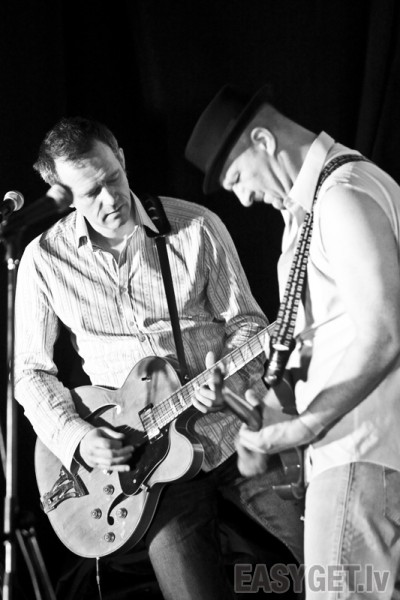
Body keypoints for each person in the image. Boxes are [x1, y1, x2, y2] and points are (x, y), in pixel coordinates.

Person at [13, 116, 304, 600]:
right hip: (147, 470)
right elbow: (30, 372)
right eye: (90, 193)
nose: (110, 199)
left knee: (332, 562)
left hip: (233, 431)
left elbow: (250, 325)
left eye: (113, 178)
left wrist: (229, 379)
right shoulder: (43, 260)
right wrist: (78, 438)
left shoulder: (195, 225)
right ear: (61, 194)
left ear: (122, 158)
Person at [186, 84, 400, 599]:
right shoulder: (313, 210)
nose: (242, 198)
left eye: (238, 178)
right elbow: (321, 347)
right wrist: (248, 407)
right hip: (351, 455)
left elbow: (385, 331)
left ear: (263, 140)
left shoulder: (343, 194)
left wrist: (306, 425)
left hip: (359, 452)